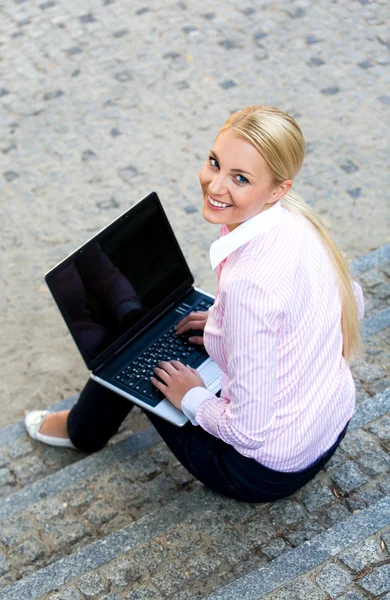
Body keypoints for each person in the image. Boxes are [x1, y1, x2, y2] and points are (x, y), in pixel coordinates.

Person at [25, 105, 365, 502]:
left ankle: (81, 431)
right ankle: (121, 304)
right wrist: (225, 326)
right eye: (214, 162)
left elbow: (248, 432)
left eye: (239, 178)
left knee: (129, 356)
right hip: (331, 422)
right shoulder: (297, 221)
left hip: (261, 470)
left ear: (278, 189)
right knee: (145, 332)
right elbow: (350, 303)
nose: (215, 185)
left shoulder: (247, 287)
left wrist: (192, 395)